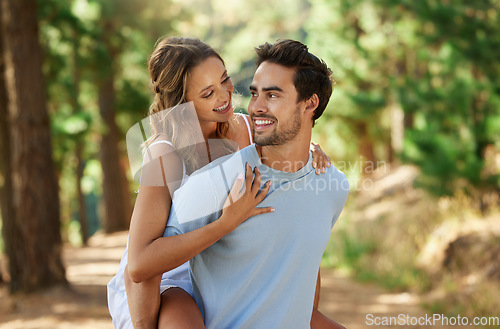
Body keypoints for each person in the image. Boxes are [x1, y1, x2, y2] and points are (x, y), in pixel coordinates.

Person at [107, 36, 335, 329]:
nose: (224, 96)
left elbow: (289, 134)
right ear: (182, 102)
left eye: (224, 80)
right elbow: (140, 266)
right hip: (169, 279)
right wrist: (225, 224)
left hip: (225, 271)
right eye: (207, 93)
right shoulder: (163, 154)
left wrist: (312, 151)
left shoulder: (243, 129)